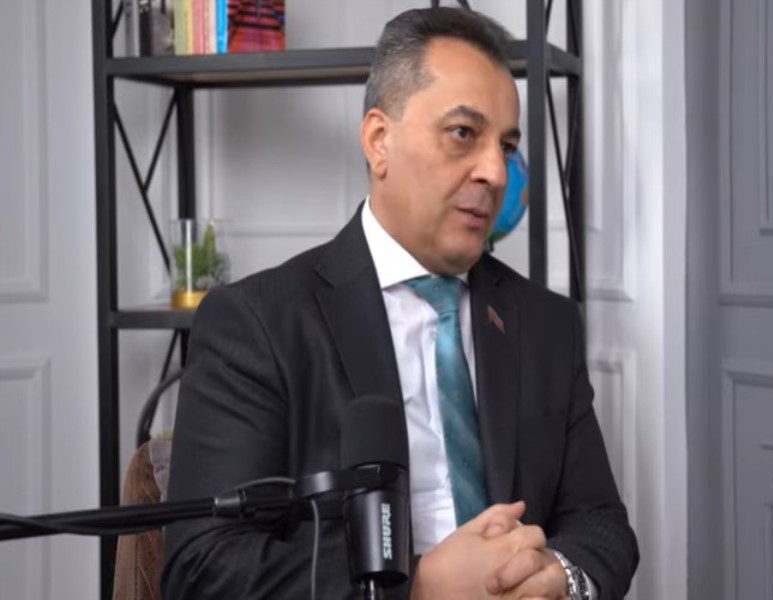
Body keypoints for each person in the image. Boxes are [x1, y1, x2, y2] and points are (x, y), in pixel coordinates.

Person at [162, 7, 638, 599]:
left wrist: (559, 579)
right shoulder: (257, 323)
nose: (495, 172)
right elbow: (203, 567)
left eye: (507, 145)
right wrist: (416, 587)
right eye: (463, 133)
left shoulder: (546, 323)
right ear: (379, 141)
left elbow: (601, 523)